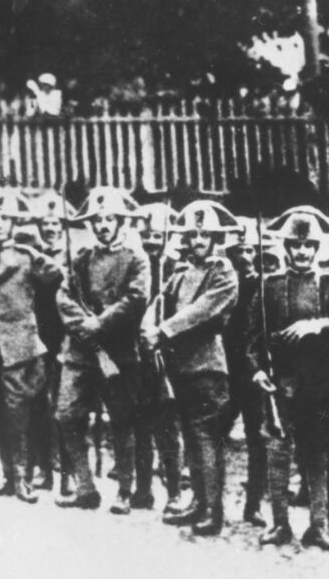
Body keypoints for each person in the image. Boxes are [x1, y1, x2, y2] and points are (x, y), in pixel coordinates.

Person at [247, 207, 329, 549]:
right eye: (296, 245)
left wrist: (318, 324)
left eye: (309, 245)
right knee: (277, 453)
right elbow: (251, 339)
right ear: (286, 247)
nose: (302, 251)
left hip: (320, 386)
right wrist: (257, 371)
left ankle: (319, 527)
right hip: (280, 386)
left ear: (317, 247)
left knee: (317, 456)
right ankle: (280, 525)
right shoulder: (269, 286)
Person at [143, 200, 240, 537]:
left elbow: (203, 310)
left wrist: (165, 329)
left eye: (205, 234)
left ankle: (213, 510)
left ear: (216, 237)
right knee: (190, 436)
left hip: (207, 367)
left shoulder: (224, 272)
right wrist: (149, 323)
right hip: (180, 368)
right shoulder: (180, 272)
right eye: (193, 234)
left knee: (206, 439)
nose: (198, 240)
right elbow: (160, 302)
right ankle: (198, 502)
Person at [54, 187, 150, 513]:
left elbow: (136, 299)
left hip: (118, 353)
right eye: (97, 220)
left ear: (121, 221)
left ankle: (125, 490)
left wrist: (102, 323)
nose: (103, 225)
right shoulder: (81, 259)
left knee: (122, 419)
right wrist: (84, 324)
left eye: (110, 218)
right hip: (81, 352)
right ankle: (85, 486)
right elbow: (63, 297)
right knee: (66, 414)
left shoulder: (136, 259)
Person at [0, 188, 62, 504]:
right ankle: (8, 477)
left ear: (14, 222)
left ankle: (23, 479)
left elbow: (57, 276)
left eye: (4, 218)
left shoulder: (27, 257)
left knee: (18, 414)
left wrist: (36, 253)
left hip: (21, 347)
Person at [219, 217, 272, 527]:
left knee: (258, 438)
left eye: (248, 249)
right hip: (224, 370)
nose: (243, 256)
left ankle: (253, 505)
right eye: (236, 250)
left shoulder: (264, 285)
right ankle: (210, 500)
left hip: (253, 372)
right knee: (214, 433)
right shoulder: (224, 282)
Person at [133, 202, 185, 513]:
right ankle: (142, 490)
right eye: (146, 235)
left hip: (166, 356)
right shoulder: (134, 266)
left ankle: (175, 492)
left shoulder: (177, 269)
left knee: (168, 428)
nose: (151, 241)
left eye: (157, 235)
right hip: (137, 357)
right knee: (140, 423)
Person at [29, 191, 72, 494]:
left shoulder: (75, 257)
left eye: (56, 222)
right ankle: (46, 470)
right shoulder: (33, 259)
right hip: (39, 340)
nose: (51, 228)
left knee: (65, 409)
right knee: (38, 407)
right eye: (45, 223)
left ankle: (67, 474)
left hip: (67, 341)